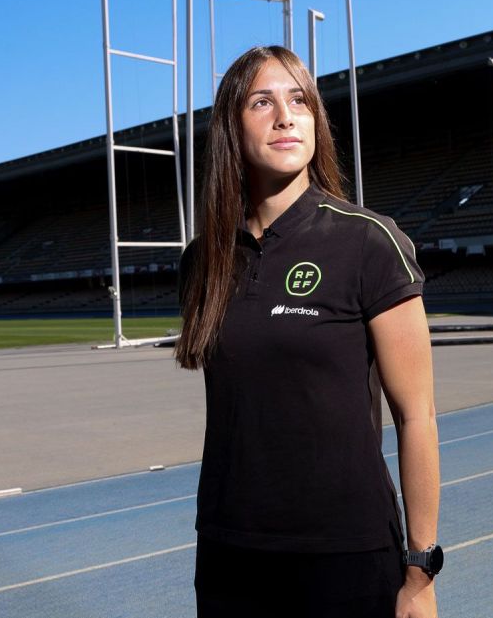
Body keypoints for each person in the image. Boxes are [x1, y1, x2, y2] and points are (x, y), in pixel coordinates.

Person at [176, 45, 441, 618]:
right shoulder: (203, 261)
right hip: (230, 554)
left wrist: (420, 571)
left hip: (343, 555)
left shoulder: (370, 241)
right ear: (230, 125)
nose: (285, 116)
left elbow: (416, 415)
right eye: (261, 102)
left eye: (300, 100)